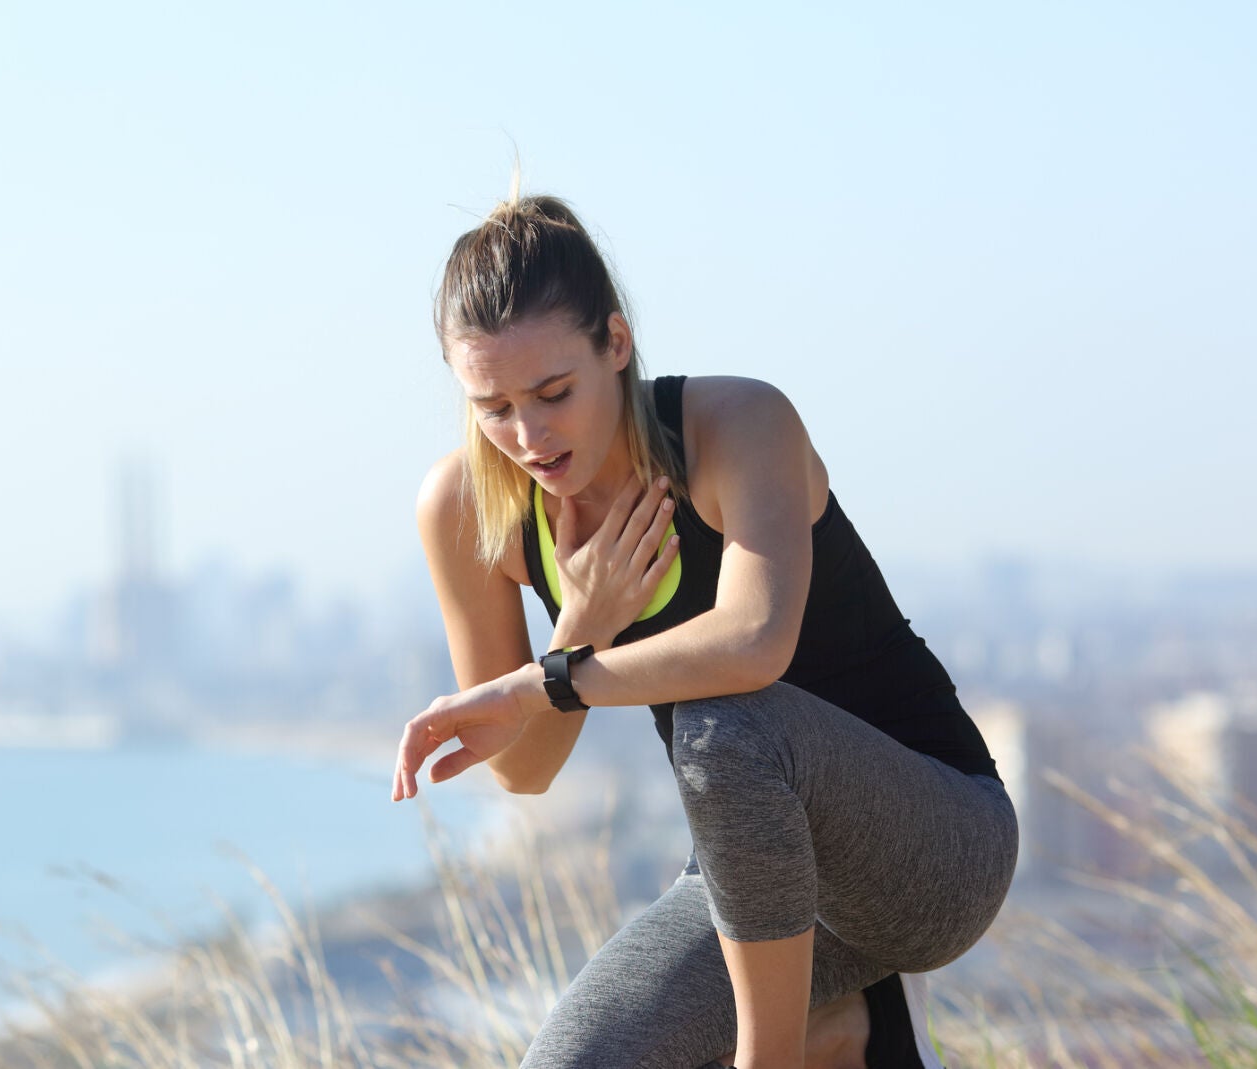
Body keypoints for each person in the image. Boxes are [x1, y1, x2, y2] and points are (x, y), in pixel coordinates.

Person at [391, 192, 1018, 1069]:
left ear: (617, 343)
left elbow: (755, 643)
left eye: (554, 391)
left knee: (725, 719)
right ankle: (852, 1029)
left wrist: (545, 680)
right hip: (755, 878)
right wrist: (579, 630)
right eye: (492, 406)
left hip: (937, 848)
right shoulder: (467, 508)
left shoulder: (737, 426)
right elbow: (525, 770)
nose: (527, 435)